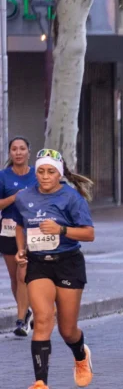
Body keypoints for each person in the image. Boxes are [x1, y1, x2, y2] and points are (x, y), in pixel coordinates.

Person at [13, 149, 95, 389]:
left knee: (67, 330)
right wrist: (20, 250)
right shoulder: (24, 197)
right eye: (40, 171)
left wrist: (61, 230)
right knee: (42, 319)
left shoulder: (71, 197)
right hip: (39, 264)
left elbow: (89, 233)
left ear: (59, 174)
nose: (45, 176)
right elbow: (19, 224)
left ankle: (80, 354)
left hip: (68, 263)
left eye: (50, 171)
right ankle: (40, 385)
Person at [0, 137, 36, 337]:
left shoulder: (37, 175)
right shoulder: (3, 176)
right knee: (15, 277)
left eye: (22, 148)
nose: (18, 152)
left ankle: (21, 320)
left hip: (31, 231)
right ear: (10, 153)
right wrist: (15, 197)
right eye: (14, 149)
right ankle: (26, 311)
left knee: (24, 275)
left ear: (29, 151)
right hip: (8, 230)